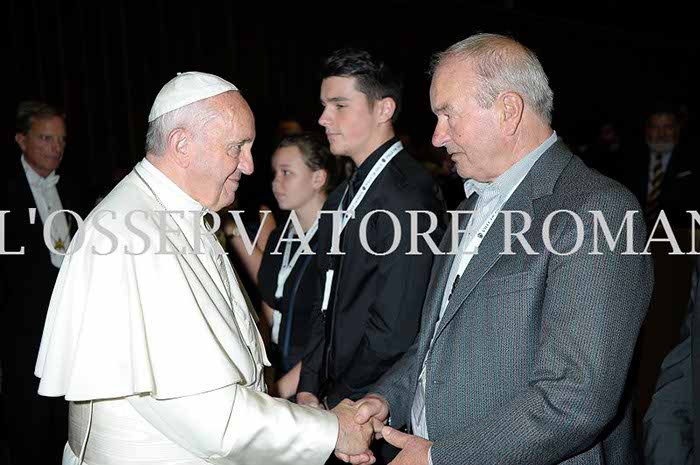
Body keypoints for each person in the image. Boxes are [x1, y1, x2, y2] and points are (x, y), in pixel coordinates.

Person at [34, 72, 375, 465]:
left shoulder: (177, 215)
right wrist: (331, 430)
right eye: (237, 147)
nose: (248, 166)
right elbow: (214, 419)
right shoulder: (134, 236)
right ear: (182, 145)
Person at [349, 33, 654, 465]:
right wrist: (386, 398)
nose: (437, 137)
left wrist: (441, 458)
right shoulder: (470, 205)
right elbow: (434, 344)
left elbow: (574, 399)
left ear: (508, 111)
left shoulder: (596, 209)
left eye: (447, 114)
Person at [296, 49, 446, 420]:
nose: (323, 118)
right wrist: (309, 385)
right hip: (338, 401)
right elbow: (326, 300)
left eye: (339, 105)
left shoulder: (409, 194)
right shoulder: (342, 195)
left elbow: (396, 330)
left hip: (376, 407)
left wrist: (339, 400)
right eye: (324, 105)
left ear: (383, 110)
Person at [1, 101, 84, 464]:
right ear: (21, 140)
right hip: (23, 335)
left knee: (67, 425)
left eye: (61, 139)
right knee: (28, 428)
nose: (57, 147)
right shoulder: (4, 193)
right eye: (46, 138)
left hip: (70, 331)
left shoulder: (77, 186)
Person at [254, 133, 335, 398]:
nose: (277, 182)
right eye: (275, 172)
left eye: (287, 172)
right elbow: (268, 310)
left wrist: (279, 392)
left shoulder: (338, 238)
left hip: (316, 387)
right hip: (278, 376)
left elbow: (333, 334)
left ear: (317, 178)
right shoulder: (280, 236)